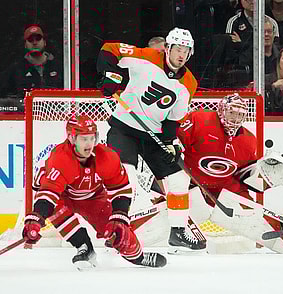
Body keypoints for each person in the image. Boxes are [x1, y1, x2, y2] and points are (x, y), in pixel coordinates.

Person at [97, 27, 206, 254]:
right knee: (127, 179)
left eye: (186, 51)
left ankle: (177, 233)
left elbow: (172, 120)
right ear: (167, 48)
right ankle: (118, 232)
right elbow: (110, 49)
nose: (181, 55)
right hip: (123, 129)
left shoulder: (189, 83)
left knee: (178, 180)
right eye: (177, 49)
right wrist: (110, 76)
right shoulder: (146, 57)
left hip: (152, 135)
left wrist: (170, 142)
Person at [22, 115, 167, 269]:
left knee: (117, 231)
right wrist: (36, 219)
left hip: (94, 198)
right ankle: (84, 246)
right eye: (84, 139)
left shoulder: (107, 157)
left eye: (92, 138)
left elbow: (121, 189)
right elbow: (48, 194)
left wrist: (119, 216)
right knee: (55, 209)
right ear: (71, 138)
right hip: (63, 196)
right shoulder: (60, 158)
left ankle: (137, 256)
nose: (89, 144)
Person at [177, 93, 283, 253]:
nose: (235, 119)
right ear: (221, 110)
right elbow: (175, 142)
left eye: (240, 115)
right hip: (192, 181)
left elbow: (244, 175)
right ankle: (174, 234)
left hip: (225, 187)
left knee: (249, 210)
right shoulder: (200, 119)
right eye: (232, 113)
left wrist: (262, 177)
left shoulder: (249, 140)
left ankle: (282, 238)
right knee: (192, 205)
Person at [0, 24, 63, 107]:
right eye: (30, 40)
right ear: (25, 45)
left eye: (38, 38)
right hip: (24, 117)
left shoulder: (59, 67)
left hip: (56, 117)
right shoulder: (16, 69)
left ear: (44, 42)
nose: (34, 42)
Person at [225, 0, 280, 85]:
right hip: (243, 72)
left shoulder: (271, 22)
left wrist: (242, 44)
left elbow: (272, 49)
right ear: (241, 1)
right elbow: (232, 53)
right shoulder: (234, 22)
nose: (252, 1)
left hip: (269, 69)